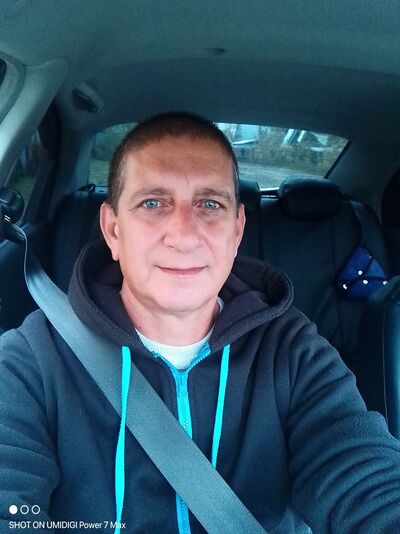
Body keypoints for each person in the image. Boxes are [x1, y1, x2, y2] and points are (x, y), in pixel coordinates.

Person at [1, 112, 400, 534]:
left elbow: (363, 475)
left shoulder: (292, 350)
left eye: (210, 204)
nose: (184, 234)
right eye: (152, 203)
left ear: (236, 231)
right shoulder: (31, 360)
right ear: (113, 230)